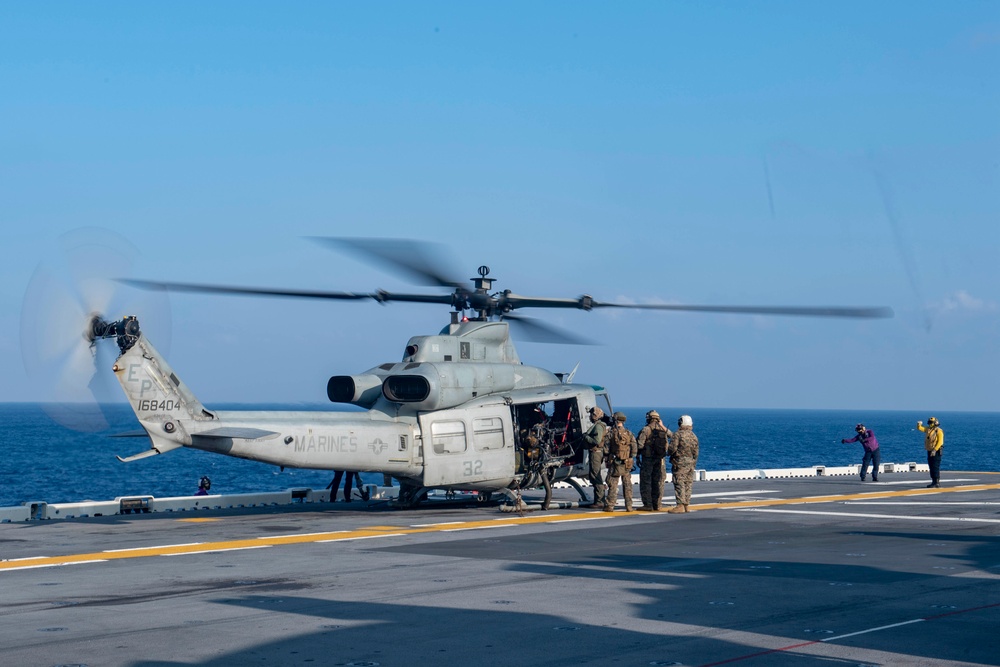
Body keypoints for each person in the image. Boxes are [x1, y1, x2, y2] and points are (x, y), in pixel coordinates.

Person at [636, 410, 671, 510]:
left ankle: (648, 504)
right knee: (658, 482)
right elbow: (672, 436)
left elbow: (640, 445)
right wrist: (663, 426)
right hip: (660, 460)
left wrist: (638, 456)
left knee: (646, 481)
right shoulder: (663, 430)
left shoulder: (646, 429)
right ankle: (658, 504)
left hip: (648, 459)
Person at [603, 412, 638, 512]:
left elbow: (606, 449)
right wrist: (631, 457)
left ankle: (610, 506)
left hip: (615, 462)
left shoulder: (611, 433)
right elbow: (634, 448)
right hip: (627, 462)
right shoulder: (629, 433)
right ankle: (629, 506)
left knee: (613, 484)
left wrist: (607, 457)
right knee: (627, 485)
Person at [667, 415, 700, 513]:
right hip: (691, 463)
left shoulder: (678, 434)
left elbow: (672, 449)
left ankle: (680, 505)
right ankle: (686, 505)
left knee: (679, 482)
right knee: (688, 483)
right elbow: (696, 453)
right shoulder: (694, 436)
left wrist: (668, 452)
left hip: (680, 463)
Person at [582, 406, 609, 507]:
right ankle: (599, 499)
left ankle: (599, 501)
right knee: (594, 475)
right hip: (596, 452)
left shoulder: (598, 426)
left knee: (595, 475)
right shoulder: (600, 425)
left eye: (591, 414)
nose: (590, 416)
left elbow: (596, 441)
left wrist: (586, 437)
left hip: (596, 453)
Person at [917, 416, 944, 488]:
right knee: (931, 466)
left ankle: (936, 482)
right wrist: (918, 425)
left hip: (936, 451)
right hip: (930, 450)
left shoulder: (939, 431)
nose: (930, 424)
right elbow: (921, 428)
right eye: (929, 423)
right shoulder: (928, 429)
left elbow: (940, 442)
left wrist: (935, 450)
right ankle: (933, 481)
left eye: (931, 423)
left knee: (935, 466)